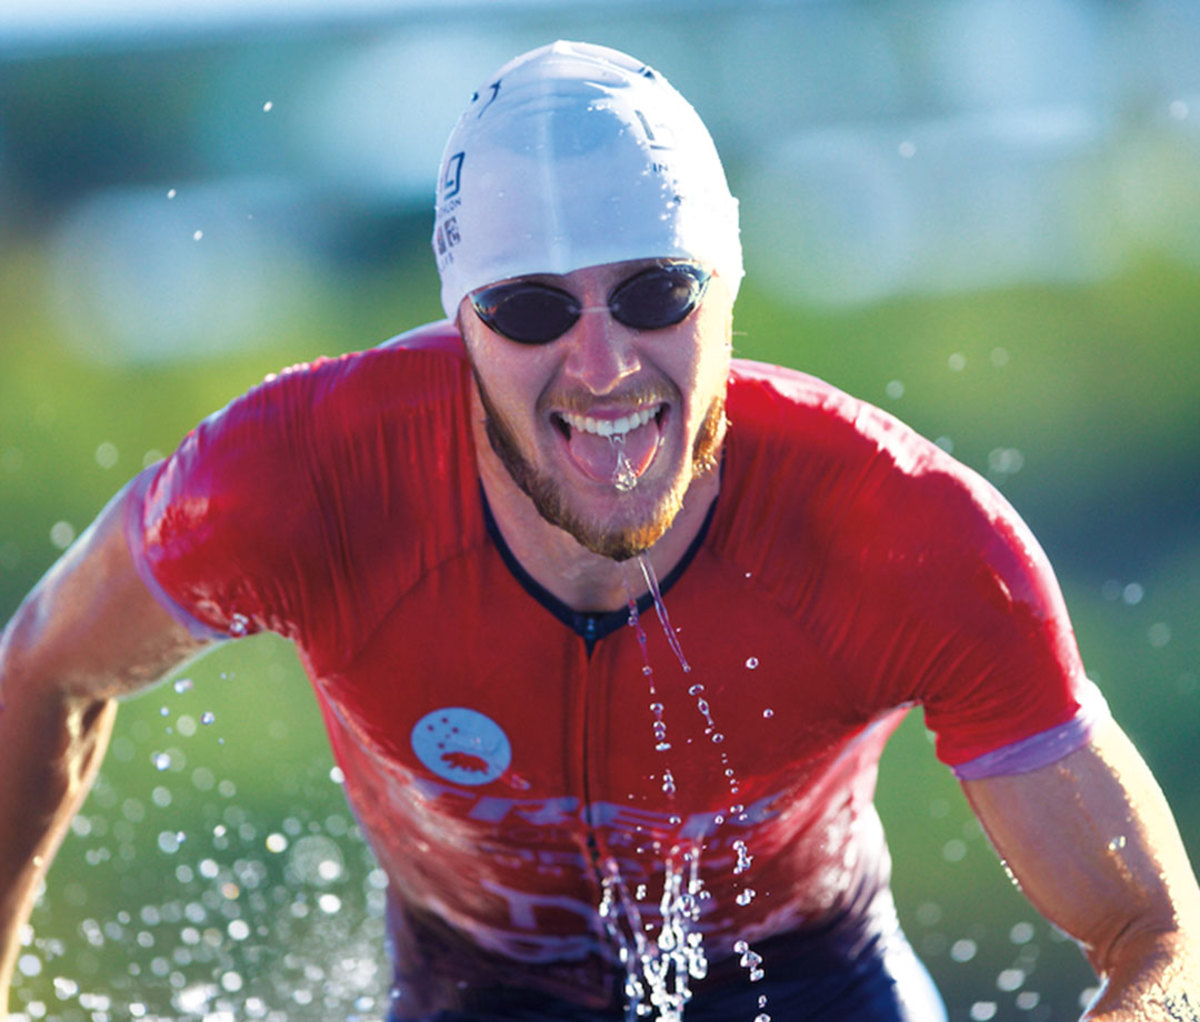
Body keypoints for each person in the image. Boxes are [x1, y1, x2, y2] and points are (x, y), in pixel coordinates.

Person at [1, 39, 1198, 1022]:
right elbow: (44, 667)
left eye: (653, 293)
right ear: (460, 326)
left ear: (724, 293)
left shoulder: (905, 533)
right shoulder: (299, 480)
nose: (604, 364)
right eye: (529, 308)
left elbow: (1160, 938)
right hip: (473, 994)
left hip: (813, 987)